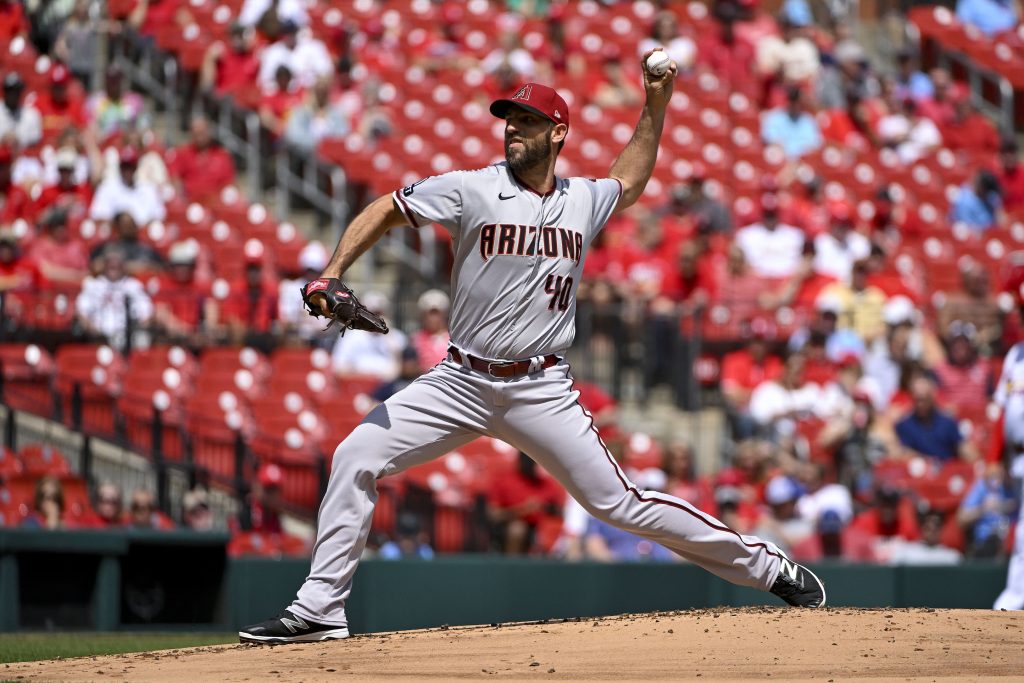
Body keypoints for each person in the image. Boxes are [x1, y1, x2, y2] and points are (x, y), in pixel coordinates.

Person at [240, 57, 825, 645]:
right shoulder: (471, 187)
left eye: (527, 119)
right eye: (508, 119)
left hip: (540, 387)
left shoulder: (582, 199)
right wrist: (333, 270)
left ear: (558, 132)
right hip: (460, 380)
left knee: (619, 504)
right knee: (356, 454)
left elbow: (631, 179)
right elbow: (389, 208)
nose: (513, 128)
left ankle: (767, 567)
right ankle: (320, 610)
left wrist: (655, 105)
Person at [993, 262, 1024, 609]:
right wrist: (993, 458)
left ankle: (1013, 601)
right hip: (1017, 458)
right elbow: (1003, 412)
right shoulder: (1016, 356)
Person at [487, 451, 566, 555]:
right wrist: (522, 510)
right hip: (510, 526)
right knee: (517, 528)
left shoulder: (545, 483)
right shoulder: (504, 480)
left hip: (542, 527)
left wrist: (544, 507)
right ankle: (513, 567)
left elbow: (560, 511)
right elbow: (493, 515)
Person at [75, 248, 154, 350]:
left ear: (124, 265)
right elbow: (82, 311)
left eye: (117, 263)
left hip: (128, 339)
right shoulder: (93, 285)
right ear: (104, 265)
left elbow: (146, 312)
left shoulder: (134, 285)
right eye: (110, 263)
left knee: (143, 340)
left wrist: (135, 330)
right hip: (98, 338)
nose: (114, 266)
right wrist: (93, 331)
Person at [894, 375, 978, 461]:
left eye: (924, 399)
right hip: (919, 470)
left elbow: (963, 447)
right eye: (917, 400)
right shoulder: (904, 425)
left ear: (932, 397)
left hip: (946, 469)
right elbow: (900, 452)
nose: (921, 404)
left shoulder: (947, 423)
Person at [89, 147, 166, 226]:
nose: (127, 171)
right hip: (115, 234)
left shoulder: (148, 189)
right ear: (120, 167)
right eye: (124, 167)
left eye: (130, 167)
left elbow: (159, 216)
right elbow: (98, 216)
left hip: (141, 235)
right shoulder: (106, 187)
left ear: (136, 167)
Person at [166, 116, 236, 201]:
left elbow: (229, 182)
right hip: (190, 201)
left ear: (209, 132)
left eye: (202, 133)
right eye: (196, 133)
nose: (200, 137)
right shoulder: (182, 153)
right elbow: (174, 177)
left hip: (216, 202)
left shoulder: (222, 155)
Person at [958, 462, 1017, 559]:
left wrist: (1006, 506)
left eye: (998, 475)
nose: (995, 479)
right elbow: (962, 518)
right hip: (985, 541)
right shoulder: (981, 488)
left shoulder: (1007, 487)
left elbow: (1015, 507)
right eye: (992, 476)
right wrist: (983, 509)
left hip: (1008, 541)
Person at [760, 85, 823, 160]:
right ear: (788, 101)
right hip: (781, 160)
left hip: (803, 162)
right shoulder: (775, 117)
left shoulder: (808, 120)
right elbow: (770, 139)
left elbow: (815, 144)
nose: (796, 105)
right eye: (793, 101)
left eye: (798, 102)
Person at [411, 289, 451, 371]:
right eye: (427, 314)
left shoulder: (453, 338)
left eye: (435, 313)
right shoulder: (416, 338)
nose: (431, 318)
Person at [0, 72, 41, 149]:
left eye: (16, 91)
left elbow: (35, 142)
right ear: (5, 91)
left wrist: (18, 140)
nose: (13, 95)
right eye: (10, 91)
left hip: (23, 158)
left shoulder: (32, 115)